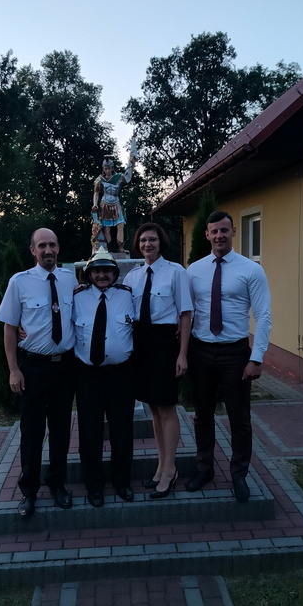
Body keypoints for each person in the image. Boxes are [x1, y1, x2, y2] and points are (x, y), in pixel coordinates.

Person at [186, 211, 271, 502]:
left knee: (239, 418)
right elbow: (187, 313)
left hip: (235, 353)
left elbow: (263, 315)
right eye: (214, 231)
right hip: (201, 351)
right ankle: (204, 469)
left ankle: (239, 475)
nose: (219, 236)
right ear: (207, 235)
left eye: (224, 230)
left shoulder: (251, 270)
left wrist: (256, 358)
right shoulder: (194, 270)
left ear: (234, 231)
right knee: (202, 415)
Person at [0, 228, 77, 518]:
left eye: (52, 245)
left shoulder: (70, 279)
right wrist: (13, 369)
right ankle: (29, 490)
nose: (48, 250)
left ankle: (57, 484)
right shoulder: (19, 282)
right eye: (42, 245)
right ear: (33, 250)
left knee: (61, 429)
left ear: (58, 248)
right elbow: (9, 326)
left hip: (65, 366)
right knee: (32, 431)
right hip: (33, 367)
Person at [123, 223, 192, 499]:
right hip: (141, 345)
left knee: (166, 407)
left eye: (152, 239)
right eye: (143, 240)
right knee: (153, 408)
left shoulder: (176, 272)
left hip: (165, 345)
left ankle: (170, 468)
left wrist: (182, 354)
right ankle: (161, 465)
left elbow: (185, 314)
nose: (147, 244)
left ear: (161, 242)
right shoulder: (133, 277)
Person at [74, 247, 135, 507]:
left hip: (121, 375)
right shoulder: (76, 298)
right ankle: (94, 486)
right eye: (96, 271)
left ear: (115, 273)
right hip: (88, 375)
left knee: (122, 430)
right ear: (89, 274)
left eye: (107, 271)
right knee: (90, 432)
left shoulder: (128, 296)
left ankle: (122, 482)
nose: (101, 275)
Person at [91, 134, 137, 253]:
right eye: (105, 169)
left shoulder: (118, 177)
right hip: (105, 203)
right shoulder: (99, 180)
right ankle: (108, 248)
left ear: (112, 168)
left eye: (109, 168)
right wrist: (95, 204)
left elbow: (127, 177)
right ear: (103, 169)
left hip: (116, 202)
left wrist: (131, 163)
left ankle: (121, 247)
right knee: (106, 227)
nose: (107, 171)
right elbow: (96, 193)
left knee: (120, 224)